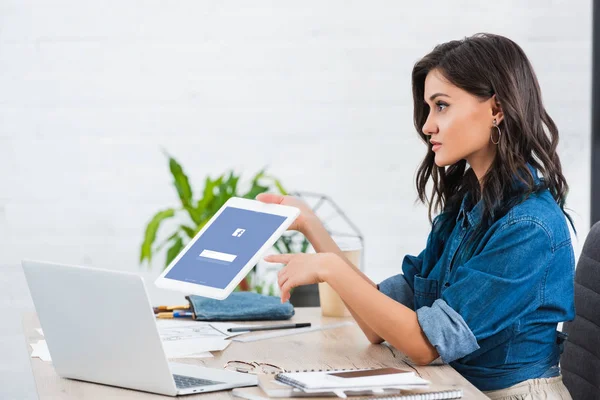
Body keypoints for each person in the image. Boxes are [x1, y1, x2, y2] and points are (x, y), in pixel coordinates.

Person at [258, 33, 575, 399]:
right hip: (454, 388)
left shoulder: (528, 229)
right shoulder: (468, 208)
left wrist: (331, 268)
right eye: (428, 108)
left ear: (496, 109)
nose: (427, 126)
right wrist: (310, 225)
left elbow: (426, 344)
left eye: (441, 106)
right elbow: (380, 324)